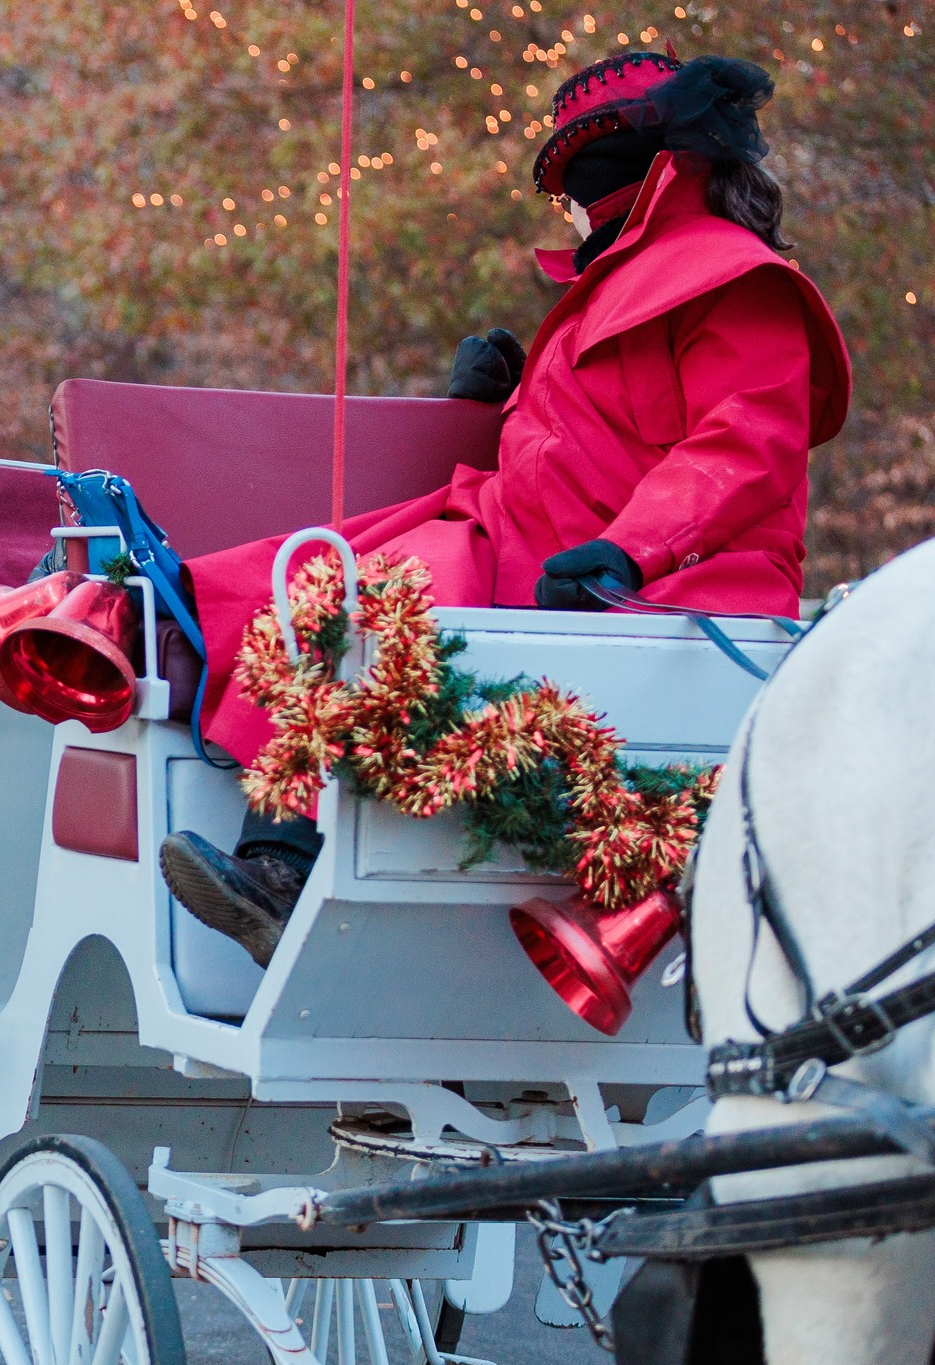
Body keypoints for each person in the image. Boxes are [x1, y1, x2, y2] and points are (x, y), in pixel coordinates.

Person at [159, 54, 852, 966]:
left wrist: (628, 552)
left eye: (569, 184)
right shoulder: (623, 286)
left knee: (379, 592)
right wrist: (491, 407)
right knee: (317, 585)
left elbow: (741, 448)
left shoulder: (735, 279)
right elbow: (583, 450)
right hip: (542, 565)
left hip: (666, 592)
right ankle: (280, 847)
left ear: (616, 176)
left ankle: (282, 861)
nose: (563, 208)